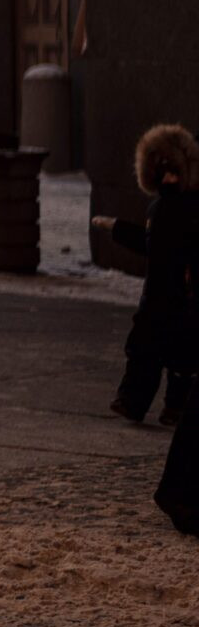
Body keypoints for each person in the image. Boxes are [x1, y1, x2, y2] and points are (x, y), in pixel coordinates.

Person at [98, 124, 199, 429]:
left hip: (183, 294)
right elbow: (150, 243)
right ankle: (133, 400)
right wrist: (117, 228)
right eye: (162, 170)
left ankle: (175, 407)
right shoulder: (160, 207)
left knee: (182, 355)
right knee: (144, 350)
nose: (168, 177)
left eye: (173, 170)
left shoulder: (189, 207)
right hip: (157, 294)